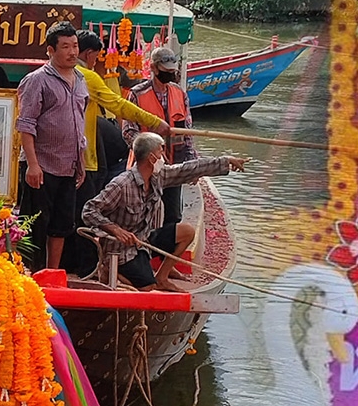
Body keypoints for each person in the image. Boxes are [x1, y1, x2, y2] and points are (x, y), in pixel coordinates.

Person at [83, 132, 247, 291]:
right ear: (151, 158)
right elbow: (89, 210)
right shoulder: (121, 184)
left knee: (187, 232)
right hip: (121, 249)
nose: (163, 156)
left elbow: (187, 169)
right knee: (147, 287)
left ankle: (162, 277)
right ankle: (109, 270)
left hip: (144, 240)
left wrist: (225, 161)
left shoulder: (158, 176)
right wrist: (115, 230)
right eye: (160, 151)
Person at [68, 31, 169, 275]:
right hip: (83, 159)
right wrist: (154, 121)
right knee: (83, 214)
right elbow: (117, 104)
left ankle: (75, 266)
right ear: (89, 54)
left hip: (80, 156)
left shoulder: (72, 76)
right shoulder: (86, 76)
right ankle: (86, 269)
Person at [17, 22, 88, 272]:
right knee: (35, 224)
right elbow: (26, 125)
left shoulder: (80, 79)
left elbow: (79, 122)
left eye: (75, 46)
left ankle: (52, 273)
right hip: (42, 165)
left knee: (61, 225)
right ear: (50, 50)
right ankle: (29, 274)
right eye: (65, 47)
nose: (72, 52)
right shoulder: (37, 81)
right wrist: (33, 165)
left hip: (68, 165)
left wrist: (81, 161)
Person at [123, 47, 196, 225]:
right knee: (140, 215)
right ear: (154, 68)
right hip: (145, 166)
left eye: (173, 71)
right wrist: (149, 150)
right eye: (166, 71)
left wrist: (192, 164)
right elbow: (128, 131)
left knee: (173, 215)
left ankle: (166, 249)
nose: (170, 75)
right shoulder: (137, 95)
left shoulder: (180, 94)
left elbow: (187, 132)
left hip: (173, 163)